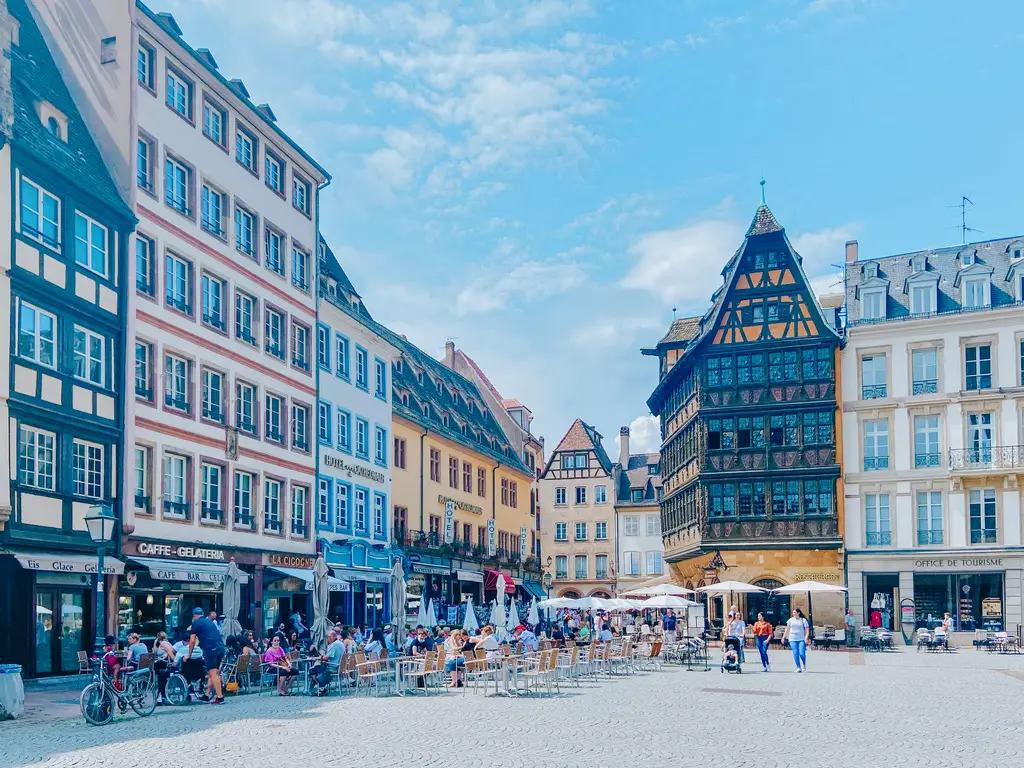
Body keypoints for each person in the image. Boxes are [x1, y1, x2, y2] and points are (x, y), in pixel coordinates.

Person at [186, 606, 226, 704]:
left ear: (194, 616)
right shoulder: (209, 622)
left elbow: (192, 640)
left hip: (210, 649)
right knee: (213, 672)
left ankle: (220, 697)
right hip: (221, 647)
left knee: (213, 673)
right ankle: (207, 695)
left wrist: (189, 655)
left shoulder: (195, 623)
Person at [309, 630, 343, 696]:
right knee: (316, 668)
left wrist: (316, 658)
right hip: (338, 666)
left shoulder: (334, 645)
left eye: (328, 637)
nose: (328, 639)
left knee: (312, 670)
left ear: (333, 637)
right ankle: (321, 687)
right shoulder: (340, 643)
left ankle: (321, 688)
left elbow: (326, 658)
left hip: (332, 667)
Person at [782, 608, 810, 673]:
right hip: (792, 639)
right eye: (793, 612)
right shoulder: (790, 620)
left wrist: (806, 638)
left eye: (795, 612)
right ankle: (798, 667)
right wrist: (783, 637)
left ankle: (804, 663)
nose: (793, 614)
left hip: (801, 639)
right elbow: (787, 629)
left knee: (801, 653)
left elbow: (807, 630)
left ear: (798, 613)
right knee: (795, 652)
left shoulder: (803, 620)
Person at [152, 631, 176, 705]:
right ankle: (157, 690)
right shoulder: (166, 643)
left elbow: (170, 653)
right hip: (164, 663)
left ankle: (158, 691)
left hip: (164, 664)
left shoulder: (163, 644)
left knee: (156, 673)